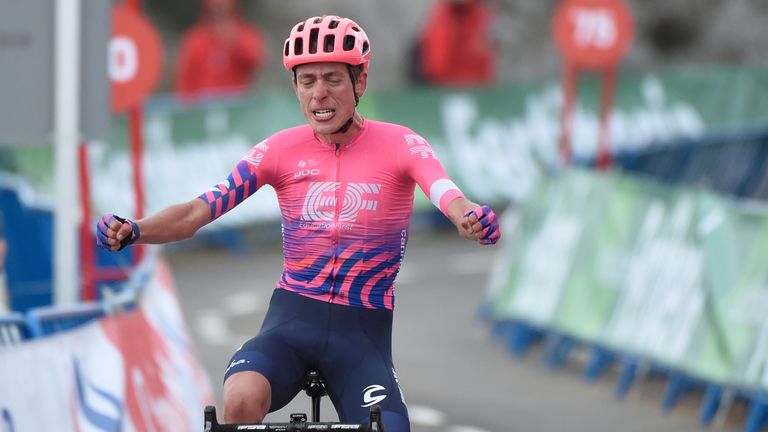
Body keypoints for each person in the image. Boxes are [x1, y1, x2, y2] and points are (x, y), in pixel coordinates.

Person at [97, 15, 500, 431]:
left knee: (393, 427)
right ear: (295, 88)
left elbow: (446, 192)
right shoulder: (278, 150)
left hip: (361, 337)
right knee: (239, 401)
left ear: (359, 82)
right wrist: (135, 229)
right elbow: (196, 212)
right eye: (307, 81)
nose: (319, 94)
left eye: (332, 79)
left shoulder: (401, 143)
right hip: (290, 324)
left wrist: (467, 216)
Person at [174, 0, 265, 100]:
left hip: (236, 105)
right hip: (202, 108)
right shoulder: (195, 40)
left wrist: (234, 39)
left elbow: (255, 59)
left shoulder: (245, 35)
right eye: (215, 9)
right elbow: (185, 80)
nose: (219, 14)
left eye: (224, 10)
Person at [417, 0, 496, 86]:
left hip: (475, 85)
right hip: (444, 85)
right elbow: (437, 62)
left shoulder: (480, 16)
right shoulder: (441, 18)